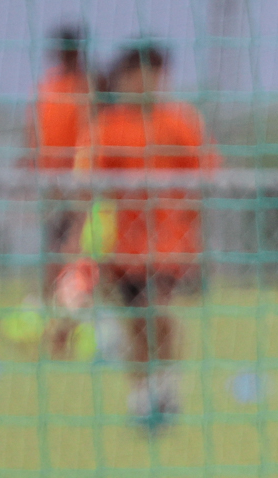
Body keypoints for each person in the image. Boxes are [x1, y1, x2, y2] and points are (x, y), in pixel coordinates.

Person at [81, 41, 216, 428]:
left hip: (169, 244)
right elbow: (89, 186)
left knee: (158, 310)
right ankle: (142, 392)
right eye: (137, 74)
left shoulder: (180, 122)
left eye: (154, 74)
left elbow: (204, 177)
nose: (146, 82)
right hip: (123, 247)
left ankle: (166, 383)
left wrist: (193, 234)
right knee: (135, 322)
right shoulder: (108, 126)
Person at [25, 25, 91, 356]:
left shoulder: (87, 88)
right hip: (52, 184)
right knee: (56, 256)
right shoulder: (48, 87)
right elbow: (33, 133)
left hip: (81, 184)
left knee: (77, 255)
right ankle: (55, 326)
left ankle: (71, 328)